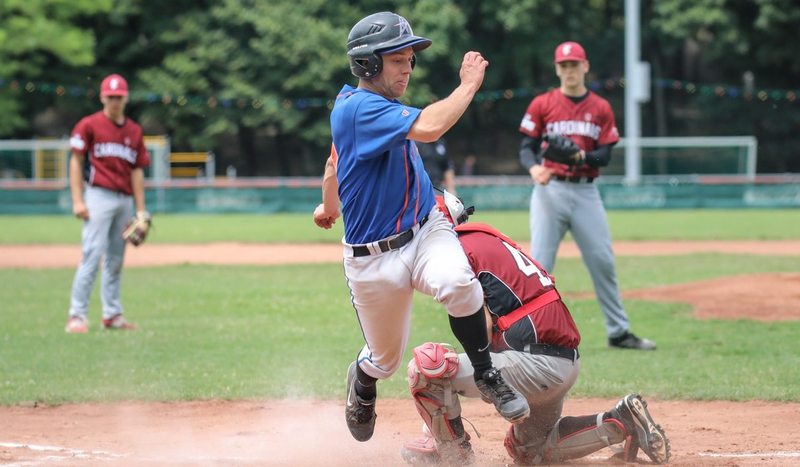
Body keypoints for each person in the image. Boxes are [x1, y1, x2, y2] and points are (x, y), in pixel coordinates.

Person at [312, 11, 529, 443]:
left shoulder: (380, 109)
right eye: (398, 59)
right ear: (368, 64)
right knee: (385, 359)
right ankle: (363, 378)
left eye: (411, 58)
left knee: (458, 283)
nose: (408, 67)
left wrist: (327, 205)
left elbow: (333, 163)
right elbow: (429, 127)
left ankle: (487, 374)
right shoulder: (358, 109)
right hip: (373, 260)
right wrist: (468, 85)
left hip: (425, 230)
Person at [399, 194, 671, 465]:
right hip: (561, 362)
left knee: (428, 368)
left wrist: (442, 417)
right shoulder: (487, 240)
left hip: (533, 363)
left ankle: (451, 456)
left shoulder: (455, 252)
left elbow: (482, 327)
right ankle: (621, 421)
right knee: (531, 451)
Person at [518, 41, 655, 350]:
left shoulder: (600, 107)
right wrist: (533, 169)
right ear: (557, 69)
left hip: (585, 192)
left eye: (574, 65)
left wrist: (581, 157)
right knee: (539, 266)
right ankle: (529, 332)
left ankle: (618, 331)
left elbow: (605, 155)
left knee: (602, 260)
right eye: (564, 66)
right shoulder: (543, 103)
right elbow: (526, 147)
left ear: (585, 66)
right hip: (549, 190)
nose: (569, 71)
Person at [64, 73, 150, 334]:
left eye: (119, 96)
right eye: (110, 96)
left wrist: (141, 210)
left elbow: (137, 171)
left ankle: (112, 315)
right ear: (102, 97)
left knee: (115, 259)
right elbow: (76, 161)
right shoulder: (89, 125)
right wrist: (78, 200)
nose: (114, 101)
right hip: (98, 196)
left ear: (126, 98)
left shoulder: (134, 130)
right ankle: (76, 315)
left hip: (124, 198)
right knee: (91, 254)